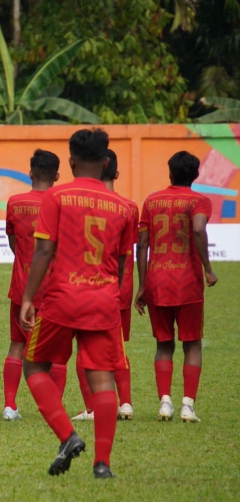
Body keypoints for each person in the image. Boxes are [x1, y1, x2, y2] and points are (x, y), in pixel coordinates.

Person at [21, 128, 134, 479]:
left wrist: (28, 297)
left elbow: (43, 250)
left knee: (34, 367)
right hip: (103, 301)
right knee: (102, 381)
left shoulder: (56, 197)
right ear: (105, 162)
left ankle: (68, 436)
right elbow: (118, 262)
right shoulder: (124, 206)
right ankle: (102, 464)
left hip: (61, 299)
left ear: (70, 162)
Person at [134, 151, 218, 423]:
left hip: (157, 280)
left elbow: (143, 245)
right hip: (188, 282)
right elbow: (197, 229)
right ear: (196, 175)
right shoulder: (200, 200)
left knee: (163, 343)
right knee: (192, 343)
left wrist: (142, 284)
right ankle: (187, 405)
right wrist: (207, 268)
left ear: (170, 172)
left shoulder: (152, 200)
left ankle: (165, 403)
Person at [72, 149, 138, 422]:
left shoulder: (80, 204)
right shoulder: (129, 207)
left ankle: (91, 408)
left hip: (88, 287)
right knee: (117, 347)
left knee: (85, 347)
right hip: (119, 287)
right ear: (116, 172)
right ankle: (126, 404)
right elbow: (128, 251)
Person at [3, 150, 61, 422]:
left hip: (22, 284)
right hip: (55, 288)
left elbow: (14, 244)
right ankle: (53, 407)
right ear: (57, 176)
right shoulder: (62, 202)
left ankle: (9, 406)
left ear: (30, 173)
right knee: (58, 351)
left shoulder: (15, 202)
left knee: (16, 344)